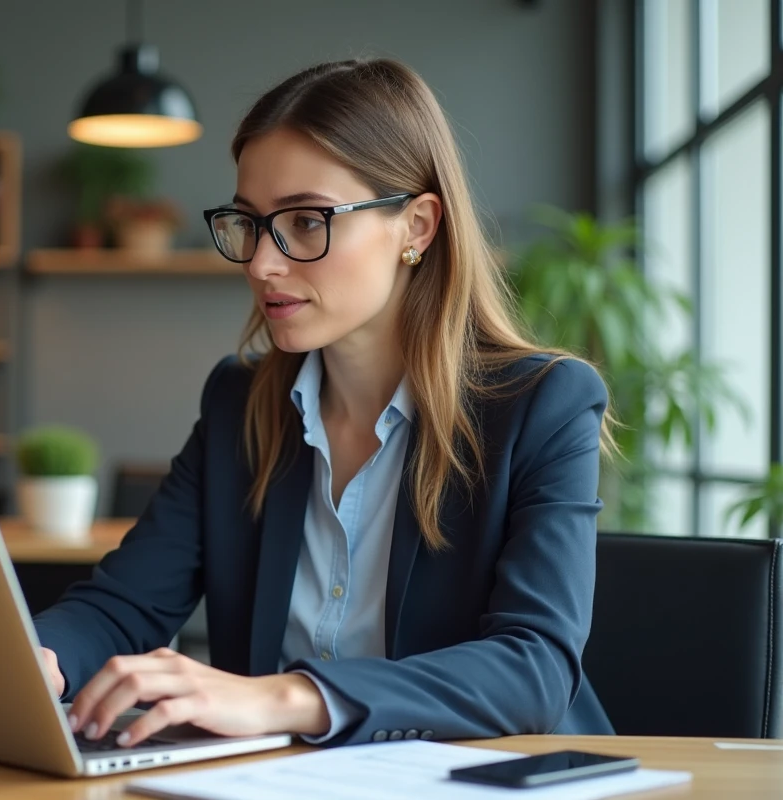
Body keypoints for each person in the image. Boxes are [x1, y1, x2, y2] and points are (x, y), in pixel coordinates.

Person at [32, 57, 616, 750]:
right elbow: (122, 606)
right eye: (249, 223)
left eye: (307, 220)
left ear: (417, 228)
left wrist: (286, 696)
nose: (261, 264)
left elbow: (535, 669)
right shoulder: (238, 405)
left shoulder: (541, 405)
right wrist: (36, 660)